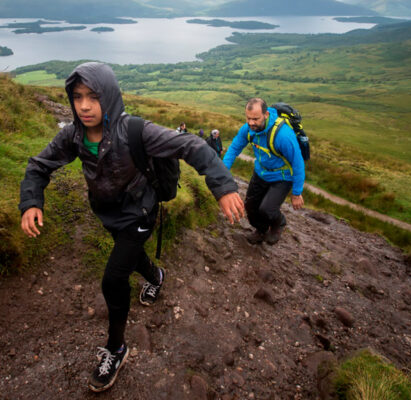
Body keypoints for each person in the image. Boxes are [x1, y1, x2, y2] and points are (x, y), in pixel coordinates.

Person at [18, 62, 245, 393]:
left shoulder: (135, 131)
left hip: (139, 213)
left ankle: (116, 348)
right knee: (130, 254)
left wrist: (223, 186)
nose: (83, 105)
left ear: (108, 96)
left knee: (113, 277)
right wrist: (32, 201)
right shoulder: (73, 135)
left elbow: (191, 145)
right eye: (78, 96)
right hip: (107, 212)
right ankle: (156, 277)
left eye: (93, 97)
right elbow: (38, 166)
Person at [223, 98, 305, 245]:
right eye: (248, 118)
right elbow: (234, 148)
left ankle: (279, 222)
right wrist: (222, 172)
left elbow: (298, 163)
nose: (251, 123)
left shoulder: (283, 135)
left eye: (255, 119)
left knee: (267, 209)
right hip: (261, 173)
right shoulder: (248, 129)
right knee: (250, 207)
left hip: (282, 177)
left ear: (266, 115)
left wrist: (297, 192)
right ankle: (261, 231)